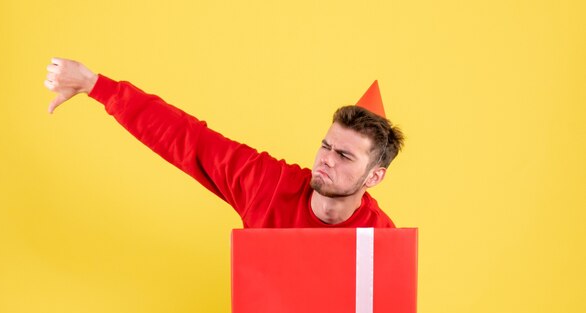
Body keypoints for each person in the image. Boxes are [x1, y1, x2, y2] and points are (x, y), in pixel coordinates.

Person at [44, 58, 404, 228]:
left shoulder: (382, 237)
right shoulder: (268, 184)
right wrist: (97, 86)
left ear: (374, 177)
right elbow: (189, 139)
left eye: (343, 155)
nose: (326, 159)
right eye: (326, 146)